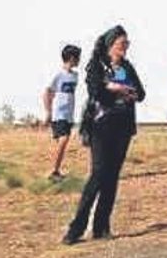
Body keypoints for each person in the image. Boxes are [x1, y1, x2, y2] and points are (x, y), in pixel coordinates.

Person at [64, 25, 144, 244]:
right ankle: (76, 228)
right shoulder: (97, 66)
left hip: (123, 126)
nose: (125, 48)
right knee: (98, 174)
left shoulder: (127, 67)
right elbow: (95, 90)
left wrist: (130, 91)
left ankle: (101, 226)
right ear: (110, 45)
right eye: (121, 44)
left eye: (127, 44)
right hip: (101, 125)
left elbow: (141, 93)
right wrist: (116, 88)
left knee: (112, 178)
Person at [42, 44, 82, 181]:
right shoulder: (58, 75)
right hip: (59, 114)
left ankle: (56, 171)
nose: (79, 60)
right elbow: (47, 92)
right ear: (71, 58)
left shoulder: (76, 75)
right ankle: (54, 171)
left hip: (69, 115)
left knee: (62, 142)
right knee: (64, 140)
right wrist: (48, 113)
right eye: (78, 57)